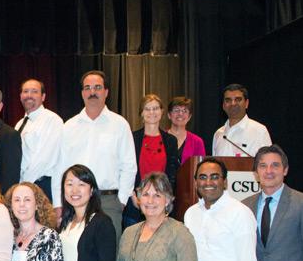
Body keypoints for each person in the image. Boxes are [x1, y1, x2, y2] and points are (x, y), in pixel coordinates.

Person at [56, 71, 137, 242]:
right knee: (77, 254)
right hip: (76, 201)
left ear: (106, 92)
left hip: (108, 202)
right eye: (88, 88)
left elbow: (129, 166)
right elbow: (60, 168)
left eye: (97, 87)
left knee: (108, 259)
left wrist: (120, 201)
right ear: (82, 93)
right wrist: (58, 203)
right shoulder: (69, 126)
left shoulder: (119, 124)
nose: (92, 92)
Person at [124, 94, 179, 228]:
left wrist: (165, 198)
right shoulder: (132, 138)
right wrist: (133, 197)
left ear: (162, 112)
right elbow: (126, 169)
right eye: (147, 109)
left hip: (162, 203)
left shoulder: (171, 141)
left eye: (155, 108)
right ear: (141, 113)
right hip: (135, 203)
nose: (152, 112)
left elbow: (172, 174)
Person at [14, 79, 63, 202]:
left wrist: (25, 185)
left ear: (43, 97)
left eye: (34, 91)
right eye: (25, 91)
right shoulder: (19, 124)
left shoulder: (52, 120)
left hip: (42, 186)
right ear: (20, 96)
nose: (29, 95)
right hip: (24, 187)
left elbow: (43, 158)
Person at [212, 84, 272, 157]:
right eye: (228, 100)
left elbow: (268, 162)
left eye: (238, 100)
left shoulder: (259, 131)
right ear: (223, 106)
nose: (233, 104)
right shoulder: (218, 134)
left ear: (246, 103)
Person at [166, 96, 206, 163]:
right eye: (176, 110)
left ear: (189, 117)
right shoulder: (160, 138)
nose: (180, 114)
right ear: (169, 115)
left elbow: (201, 167)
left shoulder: (197, 142)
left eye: (184, 111)